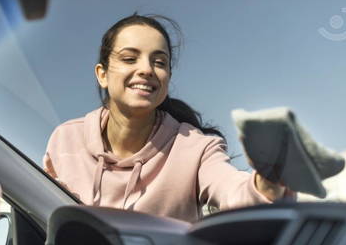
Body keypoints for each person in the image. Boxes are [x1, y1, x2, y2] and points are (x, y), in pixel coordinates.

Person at [43, 14, 293, 223]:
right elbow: (40, 212)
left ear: (168, 77)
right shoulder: (65, 139)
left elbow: (233, 191)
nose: (146, 69)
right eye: (130, 58)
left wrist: (268, 181)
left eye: (159, 62)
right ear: (103, 74)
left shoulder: (196, 148)